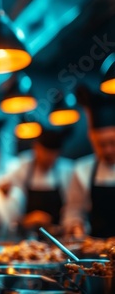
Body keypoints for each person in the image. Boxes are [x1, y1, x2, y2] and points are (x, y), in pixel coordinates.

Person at [0, 124, 74, 234]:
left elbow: (72, 208)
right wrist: (22, 218)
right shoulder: (23, 167)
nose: (48, 158)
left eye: (53, 154)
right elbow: (0, 188)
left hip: (57, 235)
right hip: (28, 234)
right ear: (36, 148)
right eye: (45, 152)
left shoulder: (66, 170)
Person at [62, 86, 115, 238]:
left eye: (112, 142)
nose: (108, 150)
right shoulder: (82, 169)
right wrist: (75, 224)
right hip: (97, 253)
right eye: (101, 144)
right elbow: (74, 209)